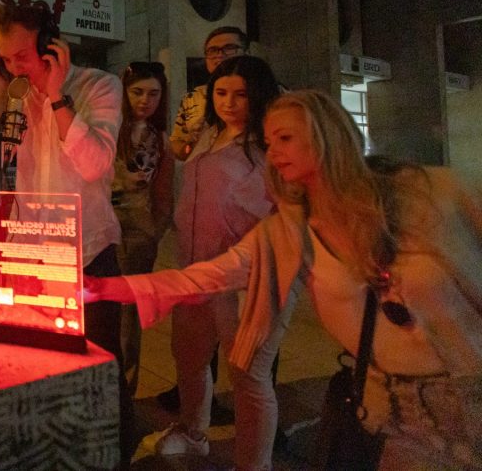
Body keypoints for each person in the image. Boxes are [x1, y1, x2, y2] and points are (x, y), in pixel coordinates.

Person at [86, 89, 482, 471]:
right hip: (391, 412)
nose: (273, 153)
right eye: (270, 142)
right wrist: (109, 288)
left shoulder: (433, 191)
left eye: (285, 138)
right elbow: (208, 277)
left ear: (327, 133)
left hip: (471, 390)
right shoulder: (289, 231)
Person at [0, 1, 131, 461]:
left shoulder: (99, 86)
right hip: (33, 253)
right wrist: (1, 91)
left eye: (21, 56)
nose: (14, 66)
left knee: (101, 365)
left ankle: (115, 454)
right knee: (42, 362)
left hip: (87, 250)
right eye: (5, 57)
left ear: (50, 46)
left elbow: (96, 164)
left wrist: (57, 96)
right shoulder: (17, 94)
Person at [138, 55, 285, 469]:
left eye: (241, 94)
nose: (229, 103)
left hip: (242, 280)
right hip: (193, 271)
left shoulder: (271, 148)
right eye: (221, 93)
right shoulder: (208, 134)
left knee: (249, 376)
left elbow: (282, 214)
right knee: (188, 357)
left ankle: (254, 463)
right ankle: (193, 432)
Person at [112, 61, 173, 397]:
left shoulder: (160, 139)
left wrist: (154, 230)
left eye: (153, 94)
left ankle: (124, 393)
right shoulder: (109, 127)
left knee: (127, 317)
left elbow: (164, 194)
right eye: (137, 92)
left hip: (138, 230)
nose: (145, 100)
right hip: (102, 224)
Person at [169, 26, 248, 161]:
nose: (220, 55)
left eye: (229, 48)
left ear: (246, 52)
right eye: (212, 50)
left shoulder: (266, 90)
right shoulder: (193, 97)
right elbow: (177, 142)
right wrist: (190, 144)